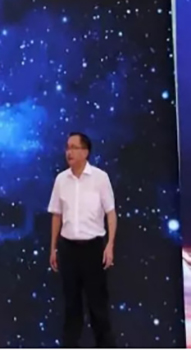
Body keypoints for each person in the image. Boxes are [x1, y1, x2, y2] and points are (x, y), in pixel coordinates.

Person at [48, 132, 117, 348]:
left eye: (74, 147)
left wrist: (110, 245)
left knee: (98, 307)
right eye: (67, 147)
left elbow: (111, 213)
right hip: (68, 249)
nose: (68, 152)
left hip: (93, 249)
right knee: (71, 307)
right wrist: (53, 248)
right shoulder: (61, 180)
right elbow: (56, 215)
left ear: (85, 152)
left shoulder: (100, 178)